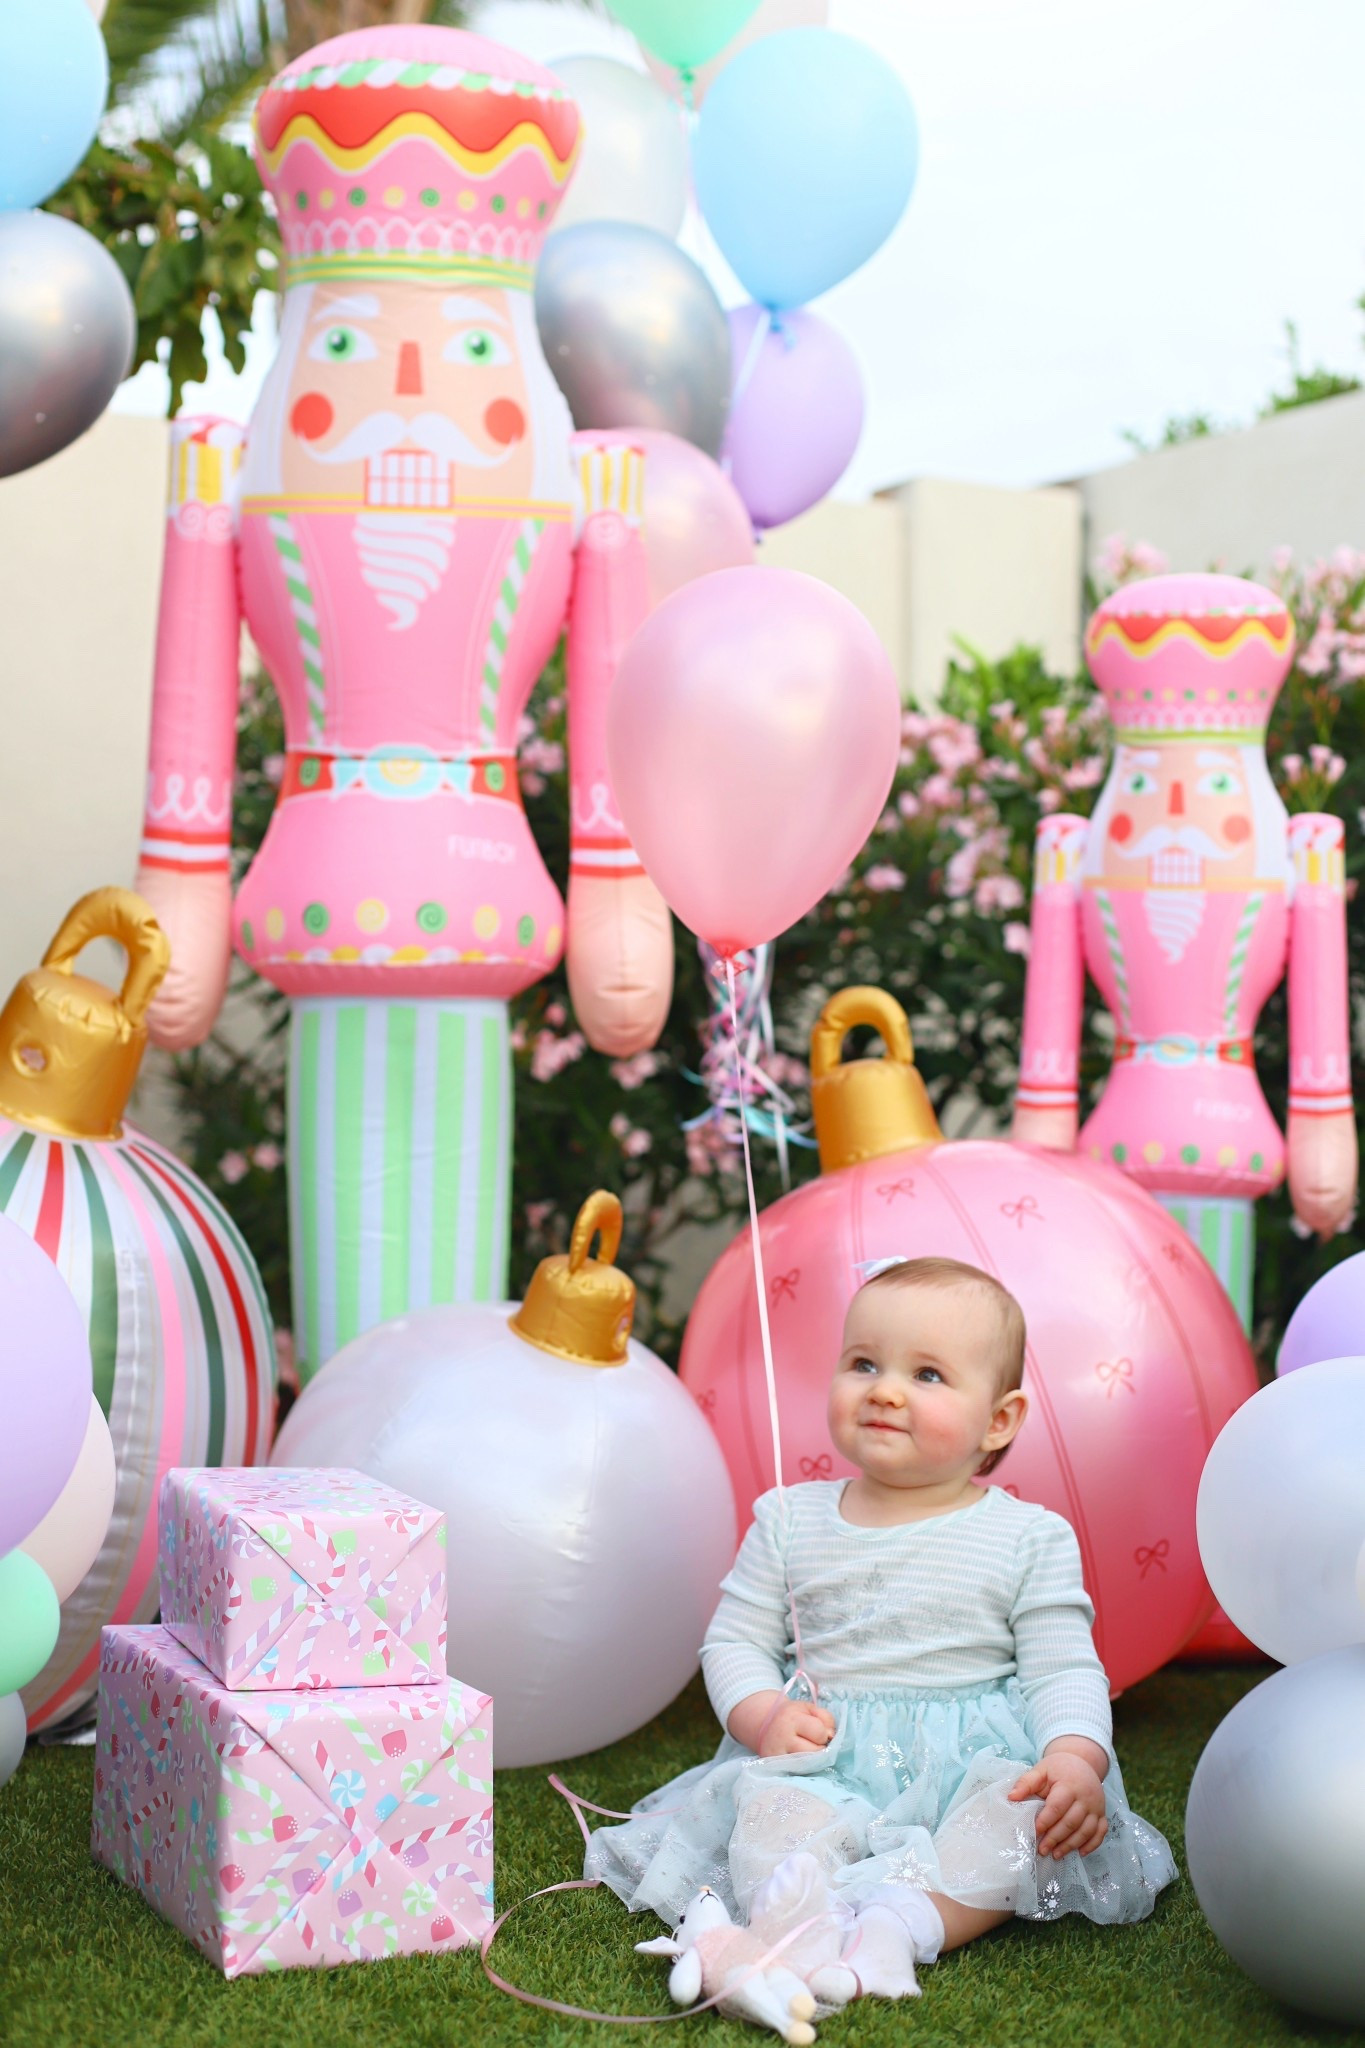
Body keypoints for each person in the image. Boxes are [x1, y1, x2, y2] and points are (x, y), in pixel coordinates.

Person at [585, 1256, 1176, 1998]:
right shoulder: (788, 1518)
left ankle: (902, 1924)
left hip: (976, 1763)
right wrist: (762, 1714)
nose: (885, 1390)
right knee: (769, 1817)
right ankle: (801, 1923)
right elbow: (735, 1640)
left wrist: (1073, 1756)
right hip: (827, 1756)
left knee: (1022, 1825)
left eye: (927, 1375)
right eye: (863, 1363)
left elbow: (1061, 1666)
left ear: (999, 1419)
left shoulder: (1030, 1536)